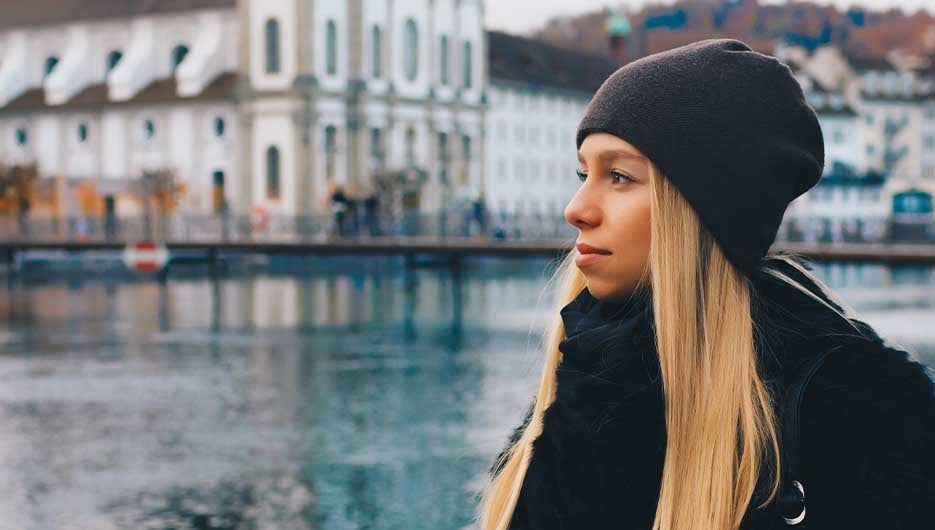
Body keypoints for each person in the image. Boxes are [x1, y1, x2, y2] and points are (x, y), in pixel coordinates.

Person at [474, 38, 934, 530]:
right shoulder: (585, 374)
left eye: (620, 176)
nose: (576, 209)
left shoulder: (862, 417)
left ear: (702, 211)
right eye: (584, 173)